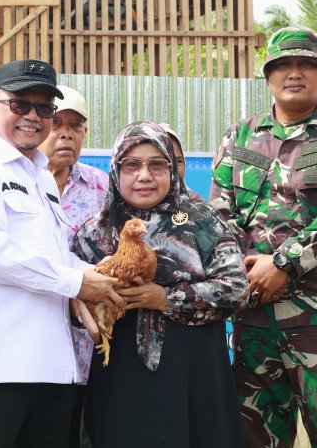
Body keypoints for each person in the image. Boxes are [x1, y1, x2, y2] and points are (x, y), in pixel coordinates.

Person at [0, 58, 122, 448]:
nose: (33, 116)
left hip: (53, 366)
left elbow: (56, 256)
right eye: (20, 104)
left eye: (44, 108)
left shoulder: (39, 176)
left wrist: (103, 277)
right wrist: (79, 282)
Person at [210, 26, 317, 447]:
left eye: (306, 63)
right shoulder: (241, 136)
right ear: (268, 75)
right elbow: (219, 213)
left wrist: (283, 263)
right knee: (255, 436)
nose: (295, 72)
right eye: (283, 64)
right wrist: (247, 270)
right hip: (254, 318)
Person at [72, 121, 249, 447]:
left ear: (172, 168)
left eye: (157, 164)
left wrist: (165, 298)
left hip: (194, 368)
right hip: (121, 372)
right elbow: (72, 305)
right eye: (132, 165)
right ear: (115, 170)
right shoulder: (95, 232)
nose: (144, 175)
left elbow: (237, 289)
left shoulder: (202, 220)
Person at [37, 84, 108, 446]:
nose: (66, 133)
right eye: (57, 122)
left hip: (88, 347)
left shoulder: (102, 188)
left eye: (75, 126)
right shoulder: (20, 183)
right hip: (32, 343)